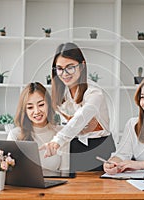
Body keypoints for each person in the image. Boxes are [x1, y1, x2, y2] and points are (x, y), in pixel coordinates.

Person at [40, 42, 115, 171]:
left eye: (70, 67)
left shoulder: (94, 93)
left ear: (82, 65)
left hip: (99, 148)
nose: (64, 73)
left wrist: (57, 141)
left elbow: (81, 117)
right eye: (59, 68)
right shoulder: (61, 94)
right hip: (74, 147)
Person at [7, 82, 69, 173]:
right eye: (30, 107)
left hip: (56, 186)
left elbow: (65, 173)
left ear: (48, 104)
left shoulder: (62, 133)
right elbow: (8, 170)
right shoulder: (15, 135)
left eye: (41, 105)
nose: (36, 111)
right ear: (24, 111)